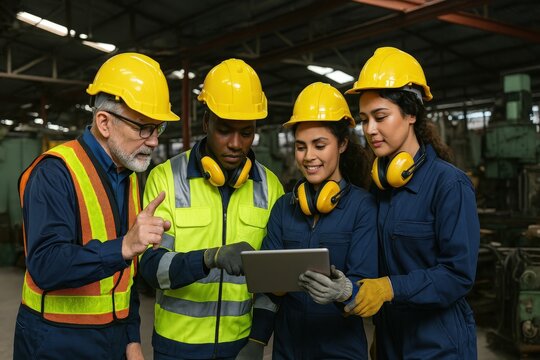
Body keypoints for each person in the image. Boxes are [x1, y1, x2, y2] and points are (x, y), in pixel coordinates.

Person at [13, 52, 179, 359]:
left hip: (113, 341)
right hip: (54, 341)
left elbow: (124, 277)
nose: (154, 141)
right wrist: (124, 246)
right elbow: (46, 265)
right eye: (144, 127)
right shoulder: (54, 172)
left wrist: (131, 338)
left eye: (158, 129)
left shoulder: (127, 176)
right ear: (104, 122)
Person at [138, 58, 284, 360]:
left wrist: (258, 340)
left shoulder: (271, 188)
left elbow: (273, 280)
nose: (235, 143)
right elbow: (152, 270)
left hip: (240, 347)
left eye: (246, 133)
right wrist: (208, 258)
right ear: (206, 123)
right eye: (224, 130)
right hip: (176, 347)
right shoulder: (166, 178)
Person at [344, 47, 480, 359]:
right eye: (364, 120)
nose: (370, 130)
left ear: (411, 114)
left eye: (380, 117)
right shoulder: (379, 186)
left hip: (439, 343)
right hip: (390, 339)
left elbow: (458, 275)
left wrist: (390, 288)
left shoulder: (449, 185)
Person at [236, 82, 378, 359]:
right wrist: (258, 338)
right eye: (301, 147)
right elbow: (269, 286)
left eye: (320, 145)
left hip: (341, 351)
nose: (309, 156)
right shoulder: (283, 208)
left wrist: (344, 292)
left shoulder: (363, 207)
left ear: (343, 144)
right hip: (288, 350)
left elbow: (367, 283)